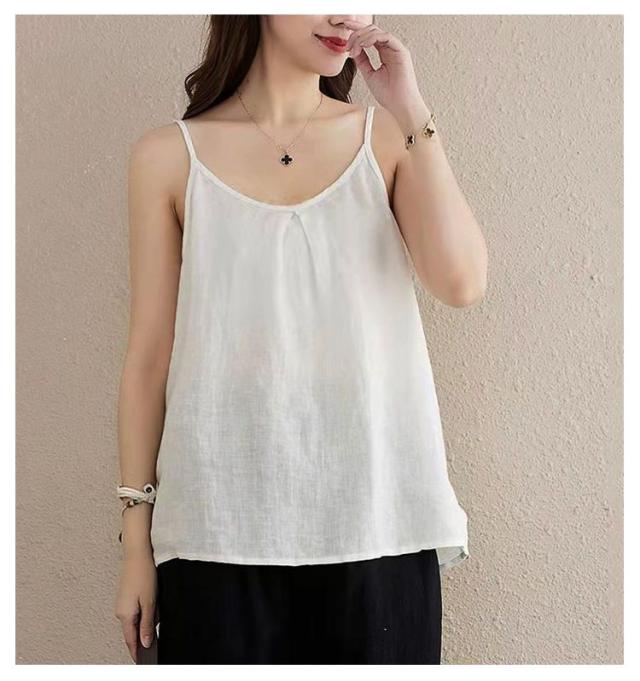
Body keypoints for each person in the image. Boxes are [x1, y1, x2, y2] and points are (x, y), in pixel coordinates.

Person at [115, 14, 487, 665]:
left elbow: (461, 282)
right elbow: (149, 360)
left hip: (379, 526)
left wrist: (410, 108)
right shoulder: (168, 157)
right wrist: (136, 547)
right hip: (215, 533)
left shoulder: (385, 140)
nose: (348, 15)